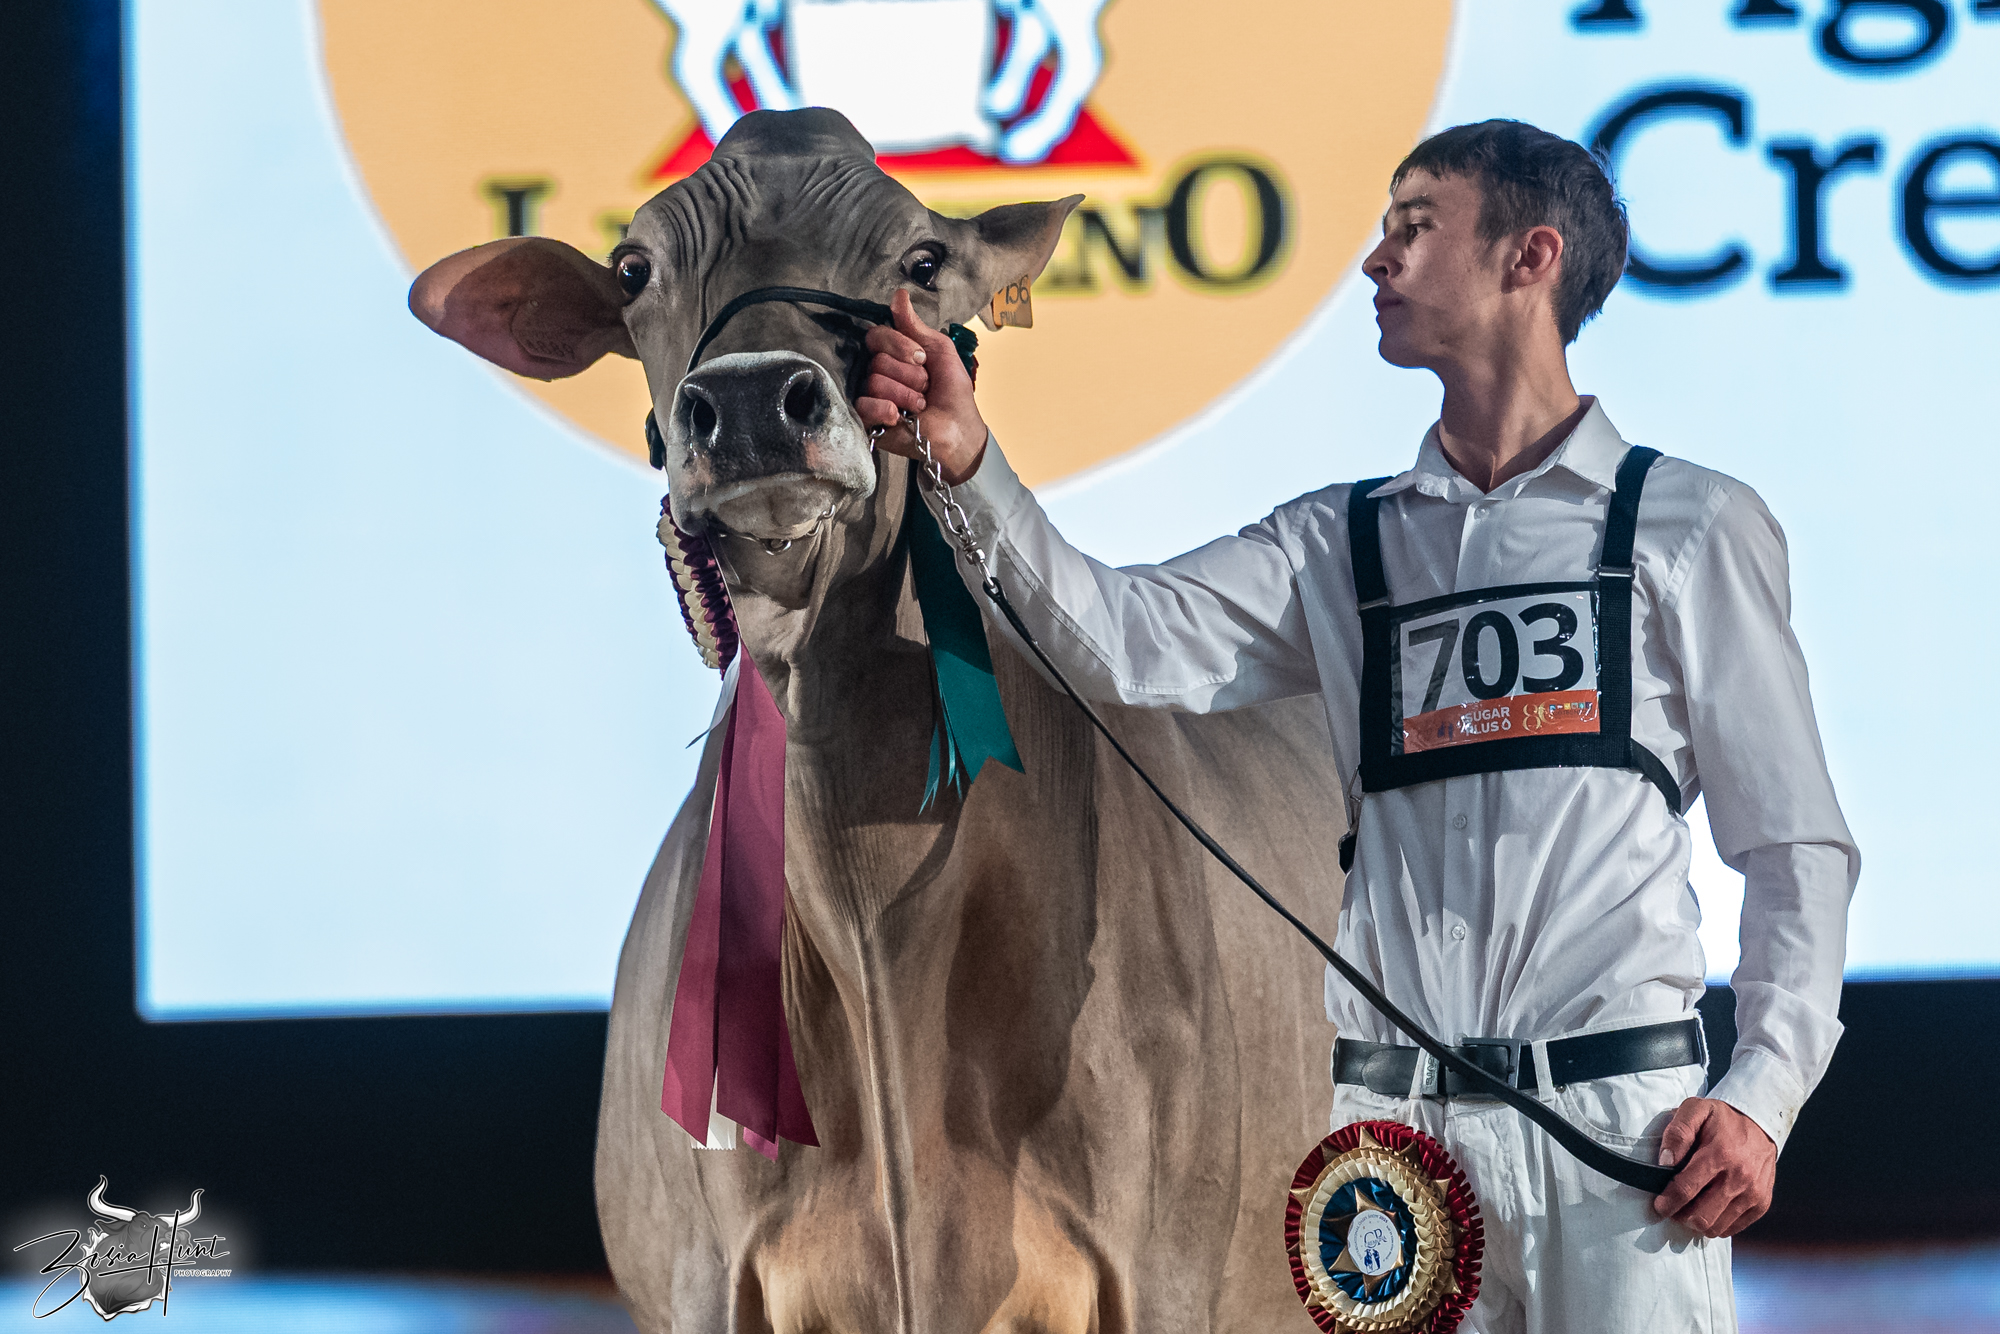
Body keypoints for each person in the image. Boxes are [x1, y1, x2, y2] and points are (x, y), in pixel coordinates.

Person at [856, 119, 1856, 1332]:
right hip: (1394, 1160)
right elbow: (1116, 637)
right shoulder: (1336, 544)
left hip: (1621, 1141)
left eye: (1414, 226)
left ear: (1529, 255)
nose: (1374, 259)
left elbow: (1792, 844)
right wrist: (967, 456)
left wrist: (1760, 1091)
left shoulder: (1687, 523)